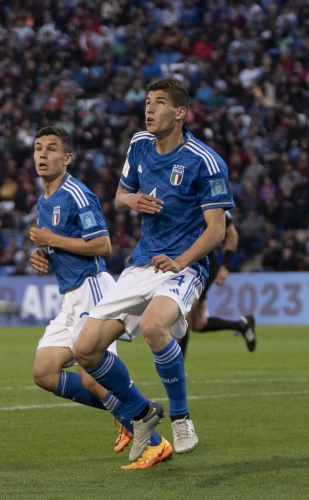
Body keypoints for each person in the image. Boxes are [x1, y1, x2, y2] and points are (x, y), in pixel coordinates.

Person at [73, 78, 233, 469]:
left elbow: (217, 230)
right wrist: (132, 200)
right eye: (147, 102)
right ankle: (141, 412)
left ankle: (181, 419)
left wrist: (181, 261)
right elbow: (120, 195)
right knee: (85, 349)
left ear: (180, 113)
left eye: (160, 103)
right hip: (142, 263)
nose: (149, 109)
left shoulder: (205, 161)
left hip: (184, 265)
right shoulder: (139, 144)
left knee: (152, 327)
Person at [27, 126, 161, 467]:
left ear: (67, 158)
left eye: (52, 149)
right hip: (69, 297)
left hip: (93, 287)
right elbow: (53, 245)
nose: (42, 155)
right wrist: (41, 256)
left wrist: (52, 241)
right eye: (38, 148)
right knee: (44, 372)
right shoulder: (43, 202)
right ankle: (131, 420)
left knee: (90, 373)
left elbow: (103, 246)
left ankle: (154, 440)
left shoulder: (78, 194)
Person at [177, 210, 256, 358]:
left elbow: (232, 234)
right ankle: (242, 325)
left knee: (183, 319)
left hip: (203, 267)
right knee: (198, 324)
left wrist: (225, 266)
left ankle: (177, 374)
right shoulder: (179, 203)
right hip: (186, 265)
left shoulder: (210, 205)